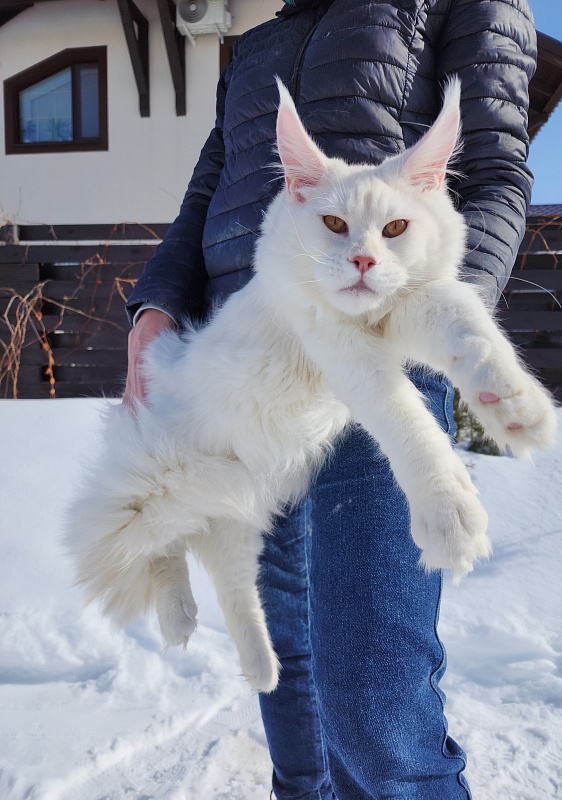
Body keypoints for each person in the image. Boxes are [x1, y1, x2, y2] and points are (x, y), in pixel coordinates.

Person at [124, 1, 537, 797]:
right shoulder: (254, 47)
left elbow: (494, 175)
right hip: (245, 381)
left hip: (374, 366)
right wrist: (155, 308)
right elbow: (205, 198)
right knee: (292, 689)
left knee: (372, 706)